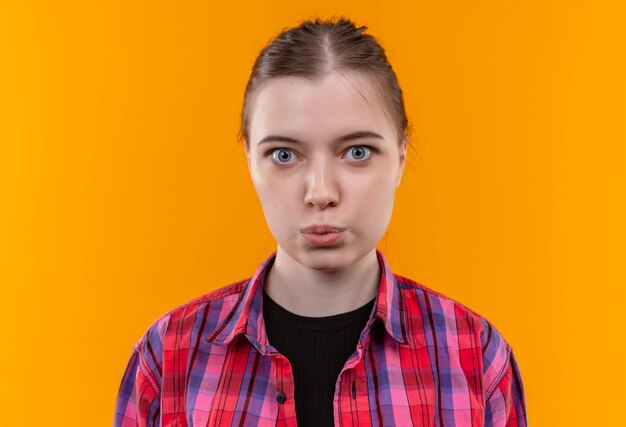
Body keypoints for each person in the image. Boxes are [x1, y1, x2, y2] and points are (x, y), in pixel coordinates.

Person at [114, 17, 527, 427]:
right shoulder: (168, 358)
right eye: (284, 155)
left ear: (400, 159)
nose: (320, 192)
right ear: (250, 163)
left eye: (358, 152)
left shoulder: (476, 356)